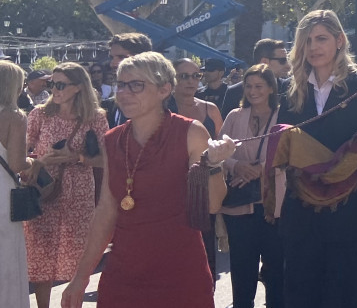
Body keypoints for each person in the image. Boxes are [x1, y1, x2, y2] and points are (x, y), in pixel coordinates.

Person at [62, 51, 235, 308]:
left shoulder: (190, 132)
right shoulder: (112, 139)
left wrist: (214, 165)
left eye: (136, 85)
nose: (124, 92)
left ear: (164, 89)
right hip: (123, 271)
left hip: (179, 270)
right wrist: (80, 277)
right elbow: (106, 211)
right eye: (121, 84)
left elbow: (211, 206)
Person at [275, 10, 357, 308]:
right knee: (300, 294)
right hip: (303, 211)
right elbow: (283, 148)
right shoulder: (290, 90)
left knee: (343, 296)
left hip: (354, 210)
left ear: (339, 40)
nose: (313, 47)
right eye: (307, 40)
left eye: (321, 38)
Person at [23, 63, 108, 308]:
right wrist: (41, 160)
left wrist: (78, 158)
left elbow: (106, 157)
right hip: (45, 189)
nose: (54, 89)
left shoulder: (95, 118)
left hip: (79, 191)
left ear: (79, 87)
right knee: (42, 252)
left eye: (60, 84)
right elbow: (22, 153)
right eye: (51, 84)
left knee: (77, 252)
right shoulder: (40, 113)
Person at [218, 64, 285, 308]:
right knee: (242, 268)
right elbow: (218, 152)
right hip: (239, 205)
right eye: (248, 86)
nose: (253, 91)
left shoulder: (283, 116)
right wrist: (237, 166)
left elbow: (290, 153)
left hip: (273, 206)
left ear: (270, 88)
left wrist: (260, 169)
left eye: (258, 86)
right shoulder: (235, 116)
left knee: (277, 268)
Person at [171, 58, 225, 278]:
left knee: (205, 260)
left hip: (205, 193)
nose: (191, 81)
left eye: (196, 76)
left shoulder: (209, 109)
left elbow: (221, 149)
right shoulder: (161, 109)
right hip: (172, 193)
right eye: (184, 76)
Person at [0, 61, 30, 308]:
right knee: (6, 255)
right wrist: (36, 161)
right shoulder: (14, 117)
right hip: (3, 193)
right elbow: (18, 163)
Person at [221, 38, 293, 118]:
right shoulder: (234, 93)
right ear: (264, 62)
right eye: (282, 61)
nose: (288, 66)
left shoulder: (289, 89)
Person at [101, 33, 153, 128]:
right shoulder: (108, 106)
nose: (113, 64)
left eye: (122, 57)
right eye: (112, 58)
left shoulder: (161, 101)